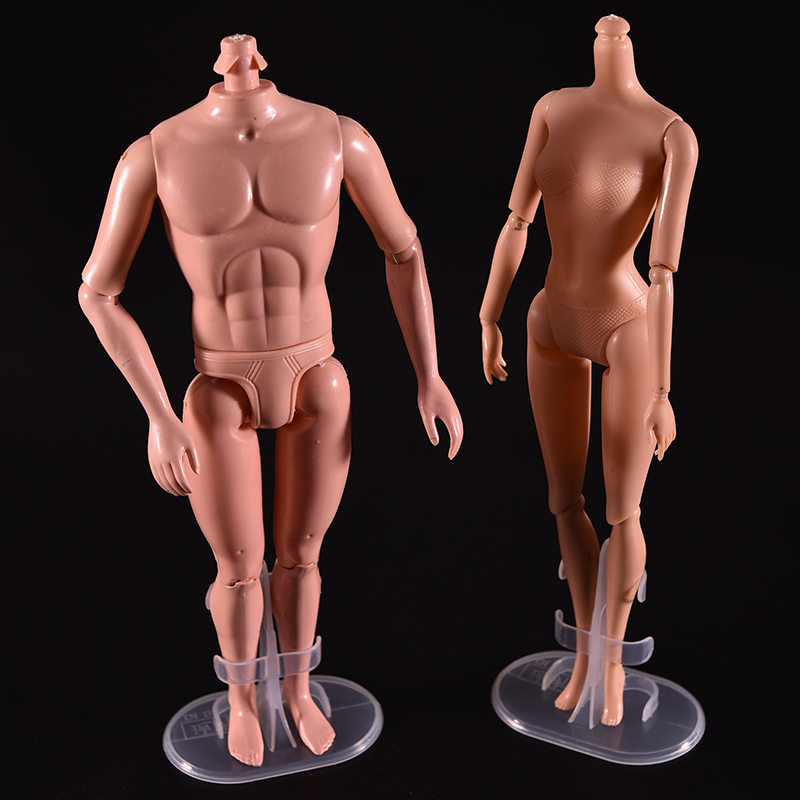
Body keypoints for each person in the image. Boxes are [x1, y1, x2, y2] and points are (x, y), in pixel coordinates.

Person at [80, 33, 462, 766]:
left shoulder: (338, 136)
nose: (242, 51)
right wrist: (158, 415)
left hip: (317, 373)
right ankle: (240, 700)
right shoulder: (155, 153)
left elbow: (405, 249)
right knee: (237, 566)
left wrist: (430, 374)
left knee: (302, 556)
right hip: (218, 386)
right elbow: (97, 292)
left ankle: (296, 687)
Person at [479, 15, 697, 726]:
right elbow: (518, 221)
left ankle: (611, 662)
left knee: (621, 509)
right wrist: (490, 314)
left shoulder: (671, 134)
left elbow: (663, 273)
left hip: (627, 324)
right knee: (563, 500)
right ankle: (583, 654)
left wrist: (663, 390)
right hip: (550, 318)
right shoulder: (552, 108)